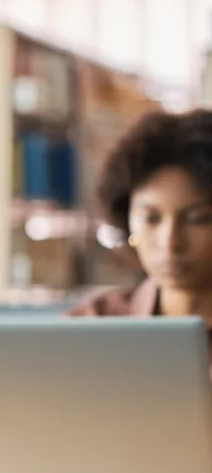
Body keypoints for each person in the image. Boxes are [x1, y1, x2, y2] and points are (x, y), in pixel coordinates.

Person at [68, 108, 212, 366]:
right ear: (127, 221)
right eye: (151, 219)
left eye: (197, 219)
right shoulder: (92, 326)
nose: (170, 242)